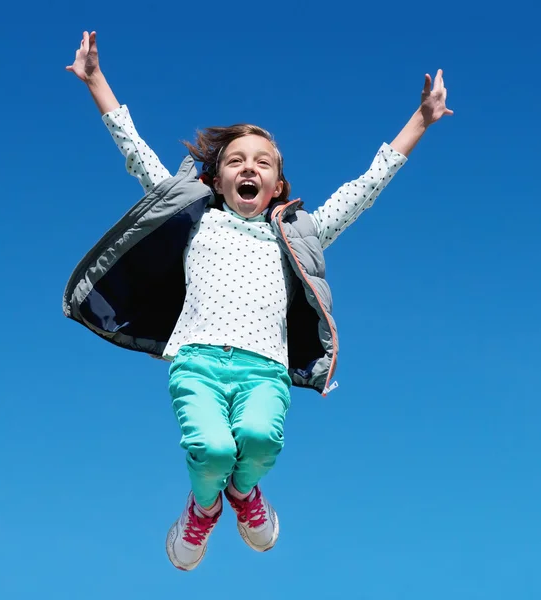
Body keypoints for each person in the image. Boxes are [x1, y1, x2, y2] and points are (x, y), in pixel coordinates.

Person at [65, 30, 453, 571]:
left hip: (265, 370)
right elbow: (137, 154)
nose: (249, 167)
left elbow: (364, 188)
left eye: (262, 162)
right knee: (214, 450)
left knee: (257, 441)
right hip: (198, 362)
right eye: (236, 160)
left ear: (276, 185)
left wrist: (420, 122)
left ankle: (245, 496)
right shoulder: (198, 218)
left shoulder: (297, 234)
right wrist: (96, 81)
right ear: (217, 178)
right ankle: (202, 511)